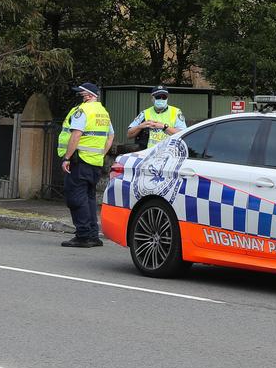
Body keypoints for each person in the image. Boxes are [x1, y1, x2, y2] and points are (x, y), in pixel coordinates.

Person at [57, 82, 114, 248]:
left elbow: (76, 134)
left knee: (76, 198)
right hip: (95, 162)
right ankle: (93, 235)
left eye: (81, 95)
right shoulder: (103, 112)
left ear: (88, 95)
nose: (80, 98)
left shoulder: (83, 111)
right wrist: (100, 154)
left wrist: (67, 157)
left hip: (79, 161)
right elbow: (111, 136)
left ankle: (83, 236)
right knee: (88, 198)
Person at [125, 85, 186, 151]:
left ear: (167, 98)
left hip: (168, 153)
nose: (161, 99)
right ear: (152, 98)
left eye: (164, 97)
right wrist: (140, 126)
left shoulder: (176, 112)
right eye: (158, 97)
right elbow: (129, 135)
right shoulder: (145, 113)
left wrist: (164, 127)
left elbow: (184, 134)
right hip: (149, 153)